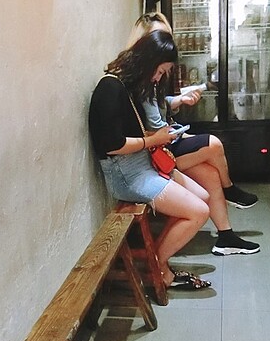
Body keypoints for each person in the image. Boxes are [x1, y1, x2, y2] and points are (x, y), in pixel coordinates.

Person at [127, 13, 260, 255]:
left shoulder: (152, 74)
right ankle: (230, 190)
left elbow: (157, 109)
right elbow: (155, 125)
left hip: (161, 143)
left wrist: (176, 101)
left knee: (210, 173)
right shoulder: (142, 77)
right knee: (214, 144)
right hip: (154, 152)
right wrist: (178, 131)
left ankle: (226, 237)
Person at [88, 31, 212, 290]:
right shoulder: (110, 88)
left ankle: (156, 261)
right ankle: (158, 266)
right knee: (199, 211)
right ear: (147, 62)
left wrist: (158, 137)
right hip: (127, 176)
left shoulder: (129, 86)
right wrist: (153, 140)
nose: (157, 78)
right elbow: (113, 145)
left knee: (203, 197)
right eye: (159, 71)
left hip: (143, 164)